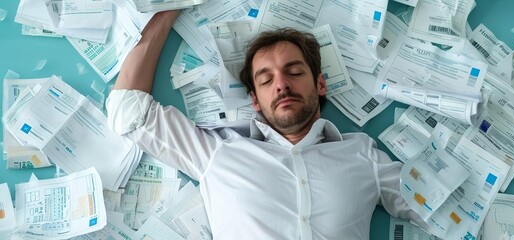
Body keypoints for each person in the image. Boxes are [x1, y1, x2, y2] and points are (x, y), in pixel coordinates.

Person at [106, 10, 422, 239]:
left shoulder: (362, 155)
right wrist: (167, 9)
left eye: (294, 71)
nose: (282, 84)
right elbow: (127, 110)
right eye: (266, 79)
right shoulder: (218, 154)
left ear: (320, 84)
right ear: (255, 101)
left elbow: (443, 211)